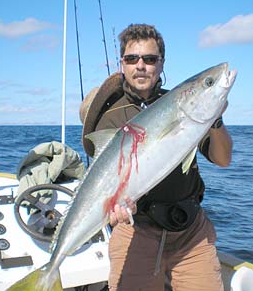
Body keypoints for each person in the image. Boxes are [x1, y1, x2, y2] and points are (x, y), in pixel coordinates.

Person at [80, 24, 233, 291]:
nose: (141, 65)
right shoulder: (111, 117)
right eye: (132, 59)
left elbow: (222, 159)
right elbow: (106, 184)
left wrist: (216, 119)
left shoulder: (180, 103)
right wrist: (114, 212)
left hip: (191, 233)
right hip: (136, 233)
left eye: (150, 59)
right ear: (122, 64)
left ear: (161, 64)